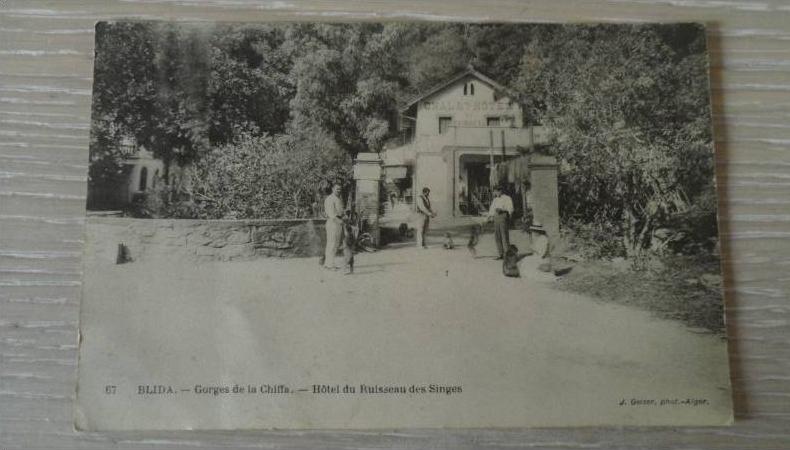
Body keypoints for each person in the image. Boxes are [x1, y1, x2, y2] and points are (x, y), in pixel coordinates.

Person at [488, 185, 514, 260]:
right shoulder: (495, 200)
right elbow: (492, 209)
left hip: (503, 216)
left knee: (504, 236)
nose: (495, 193)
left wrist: (503, 210)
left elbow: (510, 208)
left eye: (496, 191)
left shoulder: (507, 198)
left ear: (500, 191)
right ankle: (500, 254)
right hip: (496, 217)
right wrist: (489, 217)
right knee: (497, 236)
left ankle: (507, 254)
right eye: (495, 192)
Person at [323, 182, 344, 270]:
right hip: (333, 223)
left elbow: (340, 211)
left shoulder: (338, 199)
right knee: (331, 244)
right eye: (337, 189)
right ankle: (329, 265)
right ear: (332, 189)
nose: (339, 190)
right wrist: (340, 221)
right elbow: (331, 214)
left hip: (338, 223)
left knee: (336, 244)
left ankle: (329, 263)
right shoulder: (330, 199)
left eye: (340, 189)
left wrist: (343, 218)